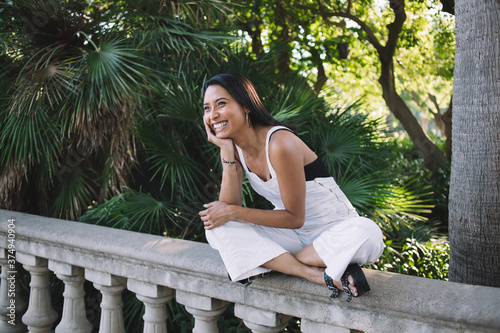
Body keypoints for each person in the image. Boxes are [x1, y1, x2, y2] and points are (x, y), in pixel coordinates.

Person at [198, 73, 384, 302]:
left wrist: (236, 218)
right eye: (207, 108)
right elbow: (227, 210)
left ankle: (273, 262)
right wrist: (226, 152)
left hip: (334, 230)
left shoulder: (279, 143)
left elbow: (295, 216)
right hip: (292, 235)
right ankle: (312, 273)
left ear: (245, 105)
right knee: (216, 227)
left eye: (221, 104)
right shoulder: (234, 148)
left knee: (368, 233)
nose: (212, 114)